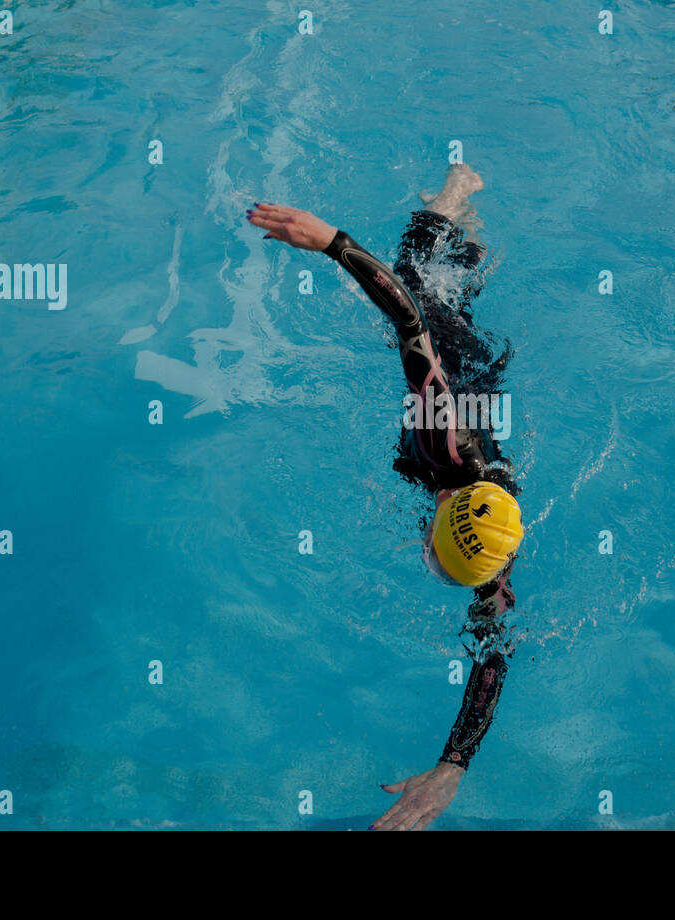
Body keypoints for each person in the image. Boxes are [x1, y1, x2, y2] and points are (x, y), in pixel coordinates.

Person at [246, 164, 523, 830]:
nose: (425, 562)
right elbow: (406, 322)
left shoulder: (493, 553)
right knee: (422, 277)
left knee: (456, 286)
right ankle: (458, 190)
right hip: (452, 361)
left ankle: (469, 237)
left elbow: (493, 656)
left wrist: (453, 764)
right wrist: (331, 241)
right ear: (440, 527)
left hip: (478, 391)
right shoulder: (442, 438)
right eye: (433, 560)